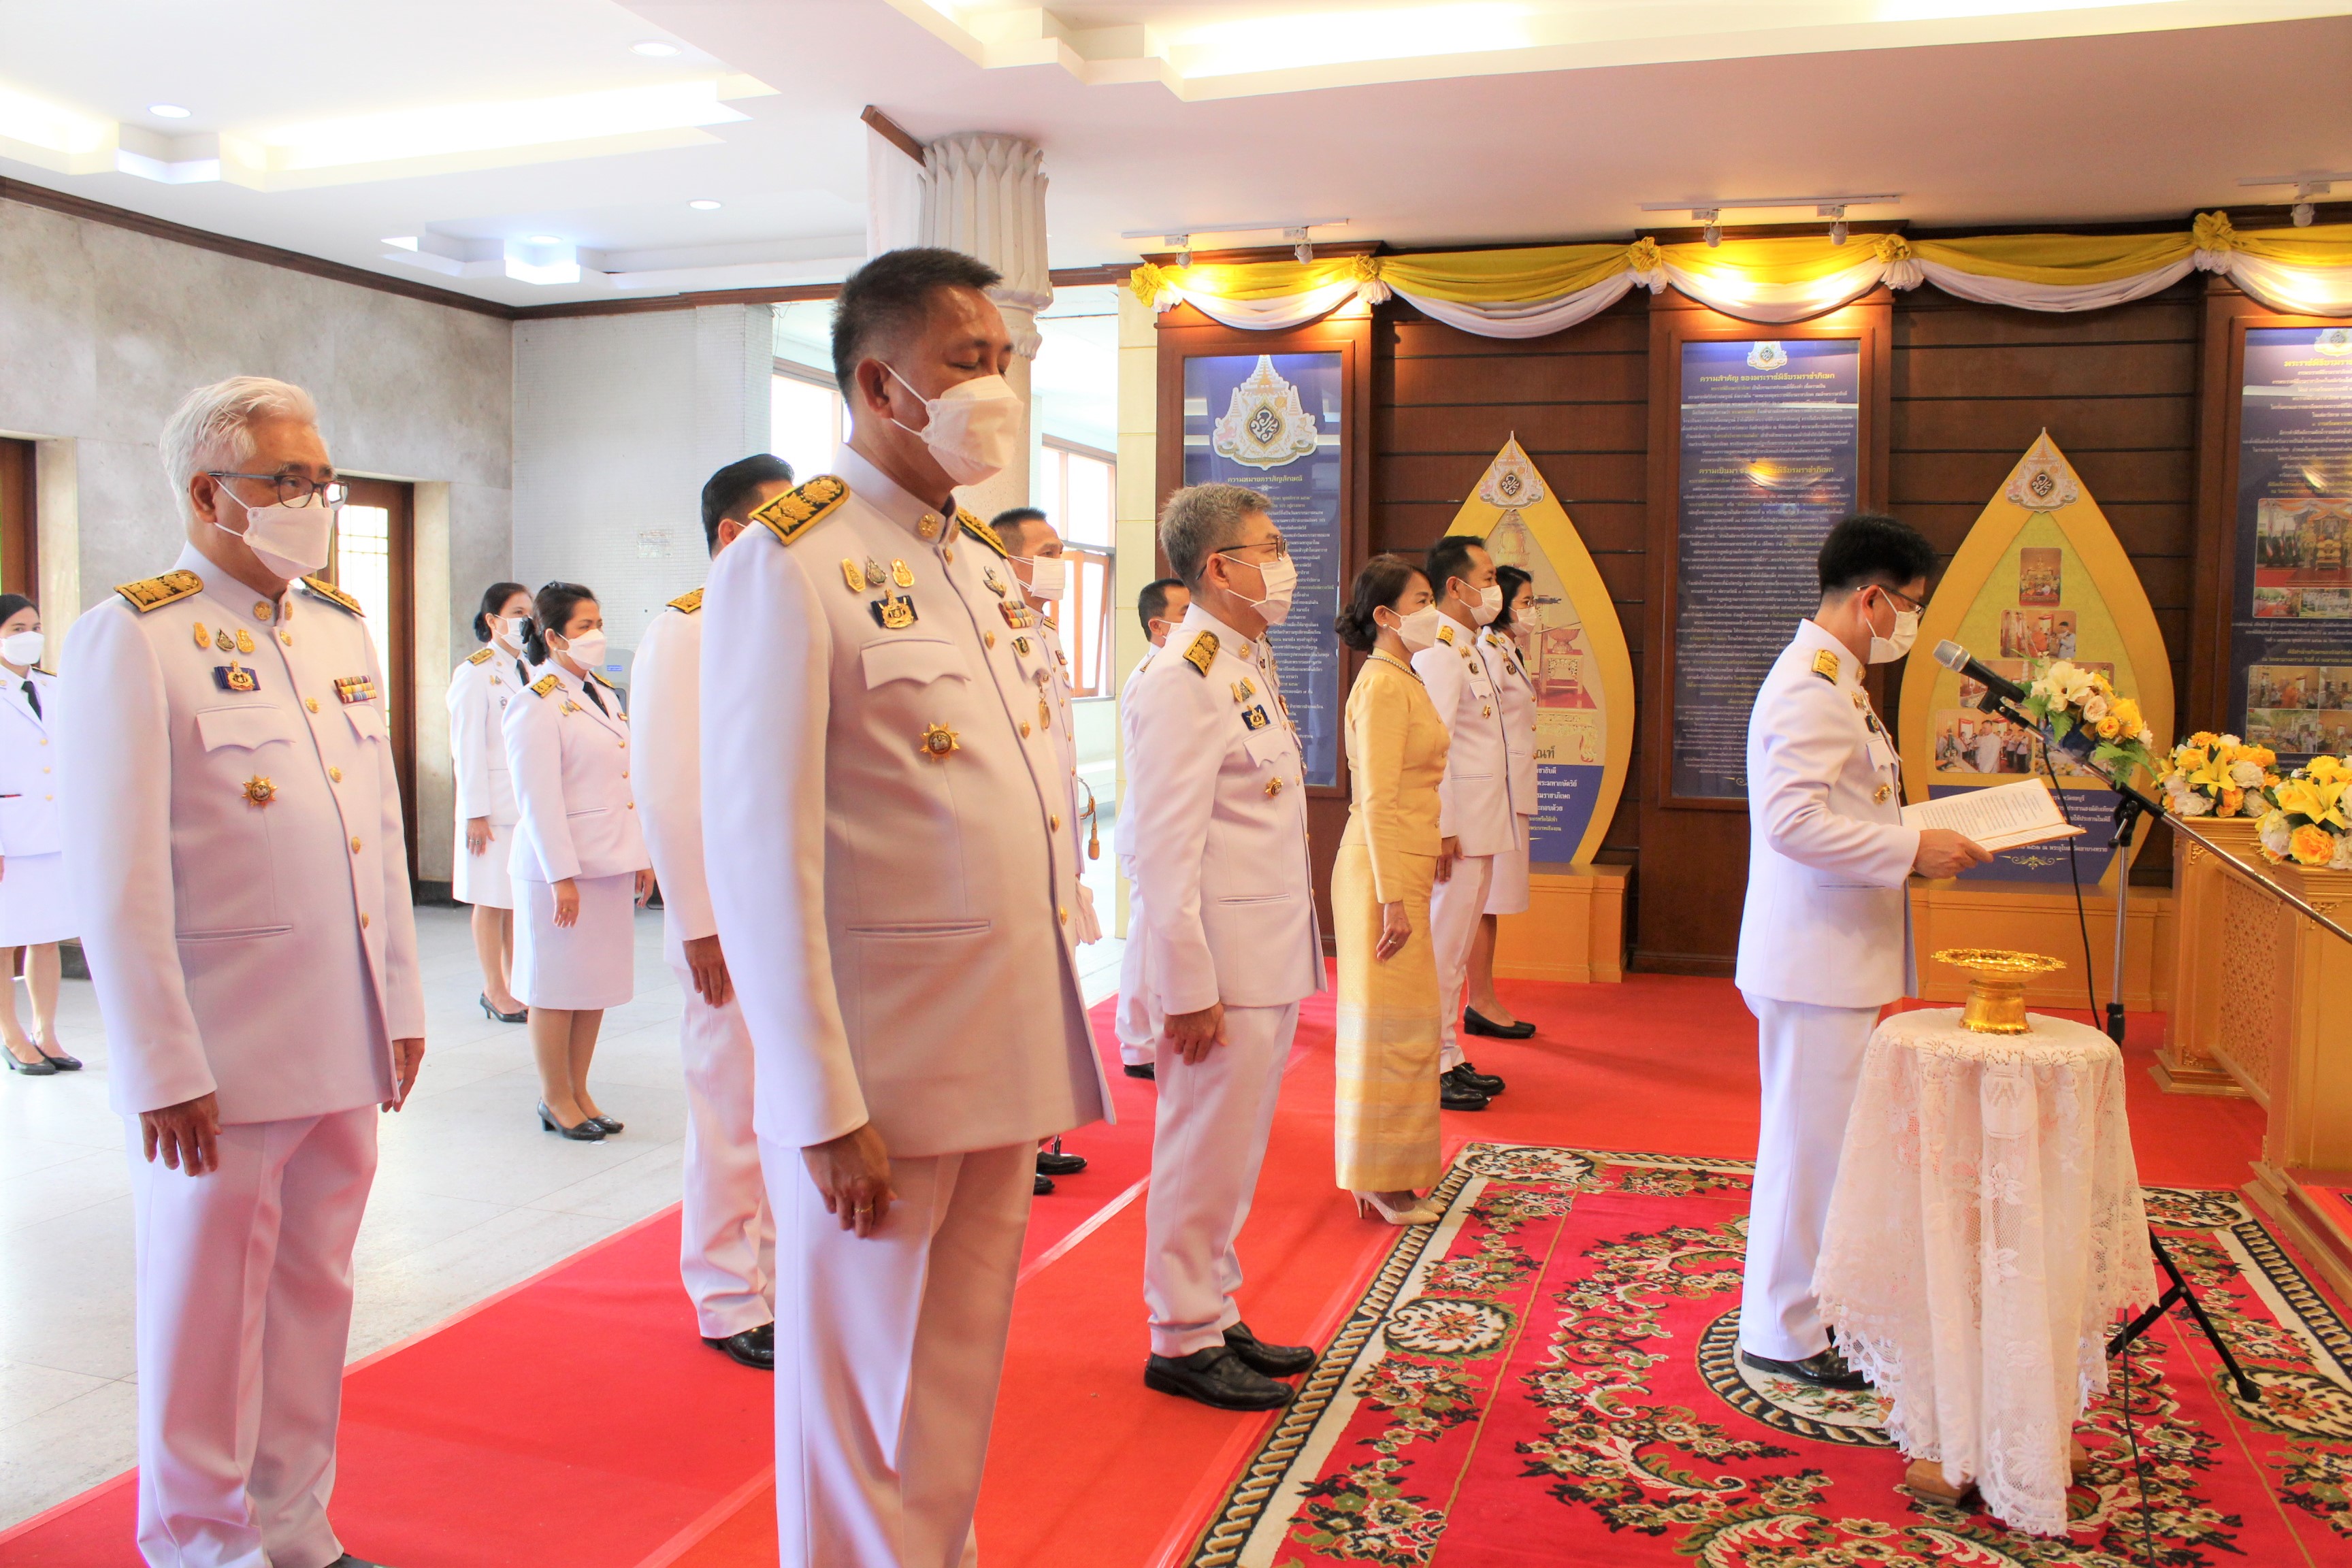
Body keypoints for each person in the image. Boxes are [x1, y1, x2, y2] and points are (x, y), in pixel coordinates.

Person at [700, 246, 1111, 1568]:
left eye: (1004, 361)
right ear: (882, 382)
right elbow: (761, 851)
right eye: (970, 361)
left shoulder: (979, 560)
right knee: (861, 1396)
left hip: (994, 1042)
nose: (998, 386)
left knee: (949, 1378)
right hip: (879, 1065)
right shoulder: (795, 558)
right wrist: (817, 1101)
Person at [59, 374, 424, 1568]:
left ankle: (292, 1522)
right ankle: (197, 1537)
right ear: (211, 494)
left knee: (315, 1293)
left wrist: (404, 1004)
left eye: (323, 479)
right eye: (289, 481)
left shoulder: (337, 627)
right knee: (206, 1310)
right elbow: (115, 874)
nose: (316, 499)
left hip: (341, 1031)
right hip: (220, 1047)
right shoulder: (137, 632)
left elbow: (376, 839)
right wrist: (159, 1061)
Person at [1734, 512, 1993, 1389]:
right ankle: (1782, 1330)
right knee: (1807, 1151)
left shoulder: (1838, 683)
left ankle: (1804, 1313)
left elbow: (1847, 813)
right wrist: (1911, 850)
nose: (1911, 626)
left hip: (1832, 952)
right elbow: (1794, 821)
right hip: (1814, 958)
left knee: (1818, 1146)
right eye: (1910, 607)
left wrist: (1912, 842)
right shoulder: (1811, 689)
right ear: (1872, 599)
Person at [1124, 483, 1323, 1412]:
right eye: (1269, 547)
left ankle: (1213, 1306)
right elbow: (1163, 852)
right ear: (1219, 567)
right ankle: (1180, 1336)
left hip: (1265, 951)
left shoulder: (1243, 660)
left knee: (1235, 1149)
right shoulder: (1183, 678)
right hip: (1221, 970)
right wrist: (1186, 985)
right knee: (1201, 1147)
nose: (1282, 564)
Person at [632, 455, 794, 1369]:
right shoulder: (687, 633)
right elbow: (668, 787)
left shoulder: (784, 624)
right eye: (786, 523)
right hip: (727, 916)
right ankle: (729, 1295)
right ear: (733, 536)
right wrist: (696, 920)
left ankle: (774, 1275)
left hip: (792, 909)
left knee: (787, 1104)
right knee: (730, 1105)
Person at [504, 581, 651, 1143]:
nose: (597, 635)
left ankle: (581, 1089)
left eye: (599, 623)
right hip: (558, 871)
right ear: (553, 636)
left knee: (593, 986)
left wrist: (640, 854)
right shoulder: (535, 703)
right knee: (555, 987)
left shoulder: (603, 694)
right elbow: (537, 798)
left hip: (608, 862)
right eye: (585, 627)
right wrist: (560, 876)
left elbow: (625, 780)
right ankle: (555, 1097)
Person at [1330, 554, 1451, 1225]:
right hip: (1381, 869)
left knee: (1409, 1026)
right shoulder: (1381, 685)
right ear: (1385, 615)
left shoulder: (1405, 677)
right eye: (1423, 598)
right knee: (1387, 1030)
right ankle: (1378, 1176)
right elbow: (1374, 798)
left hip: (1402, 860)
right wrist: (1393, 897)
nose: (1432, 610)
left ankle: (1394, 1168)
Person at [992, 504, 1097, 1194]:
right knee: (1015, 1009)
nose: (1060, 562)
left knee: (1053, 1001)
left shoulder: (1045, 635)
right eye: (1048, 550)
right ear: (1009, 561)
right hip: (1020, 849)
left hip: (1057, 842)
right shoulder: (994, 638)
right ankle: (1009, 1146)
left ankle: (1037, 1132)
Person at [1412, 535, 1514, 1111]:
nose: (1494, 588)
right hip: (1459, 829)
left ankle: (1449, 1053)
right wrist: (1443, 826)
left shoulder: (1469, 647)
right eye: (1488, 575)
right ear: (1457, 586)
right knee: (1443, 951)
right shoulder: (1440, 652)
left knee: (1453, 952)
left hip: (1482, 822)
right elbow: (1435, 748)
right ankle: (1430, 1062)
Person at [1114, 575, 1190, 1083]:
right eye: (1187, 613)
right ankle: (1137, 1042)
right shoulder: (1151, 677)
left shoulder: (1178, 670)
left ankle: (1154, 1031)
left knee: (1162, 932)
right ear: (1157, 625)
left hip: (1167, 822)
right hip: (1148, 826)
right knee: (1146, 935)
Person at [1461, 564, 1539, 1043]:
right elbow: (1478, 726)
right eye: (1526, 601)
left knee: (1490, 901)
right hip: (1494, 791)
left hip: (1511, 788)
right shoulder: (1486, 652)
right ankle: (1479, 1001)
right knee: (1480, 901)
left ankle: (1483, 998)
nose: (1532, 610)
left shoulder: (1508, 650)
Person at [448, 581, 532, 1024]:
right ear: (492, 620)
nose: (526, 621)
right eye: (517, 612)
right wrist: (474, 812)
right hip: (491, 811)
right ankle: (494, 989)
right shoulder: (476, 672)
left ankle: (517, 983)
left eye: (529, 612)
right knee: (491, 900)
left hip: (523, 809)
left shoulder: (528, 669)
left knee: (516, 899)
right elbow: (467, 748)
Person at [0, 593, 76, 1075]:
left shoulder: (54, 687)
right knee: (4, 940)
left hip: (54, 832)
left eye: (35, 626)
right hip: (9, 837)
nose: (30, 636)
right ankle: (11, 1035)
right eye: (16, 629)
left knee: (45, 936)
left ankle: (46, 1030)